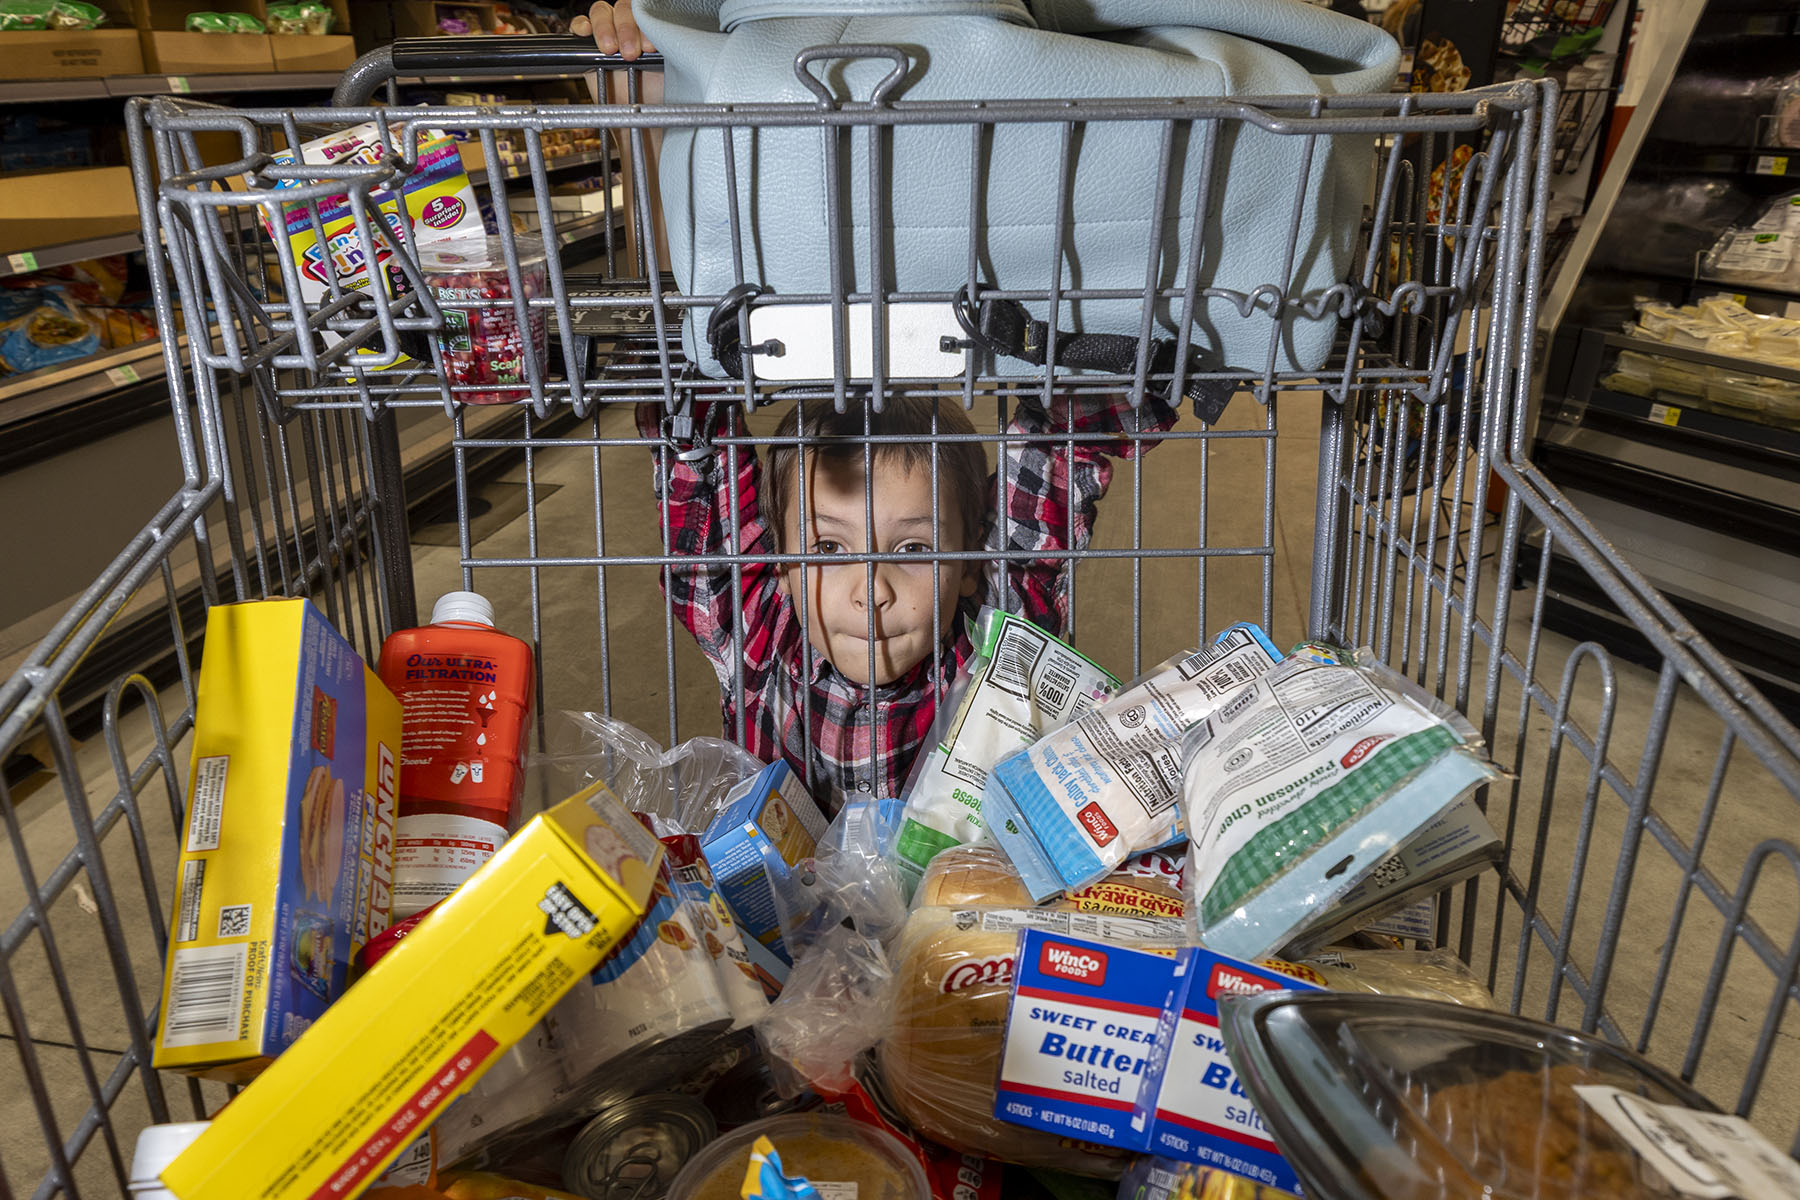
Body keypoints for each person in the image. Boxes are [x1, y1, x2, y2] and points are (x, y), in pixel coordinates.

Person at [580, 0, 1184, 815]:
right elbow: (689, 421)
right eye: (827, 547)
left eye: (915, 548)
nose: (870, 589)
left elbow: (1060, 447)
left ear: (975, 561)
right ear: (780, 565)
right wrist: (651, 118)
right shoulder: (756, 636)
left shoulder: (996, 650)